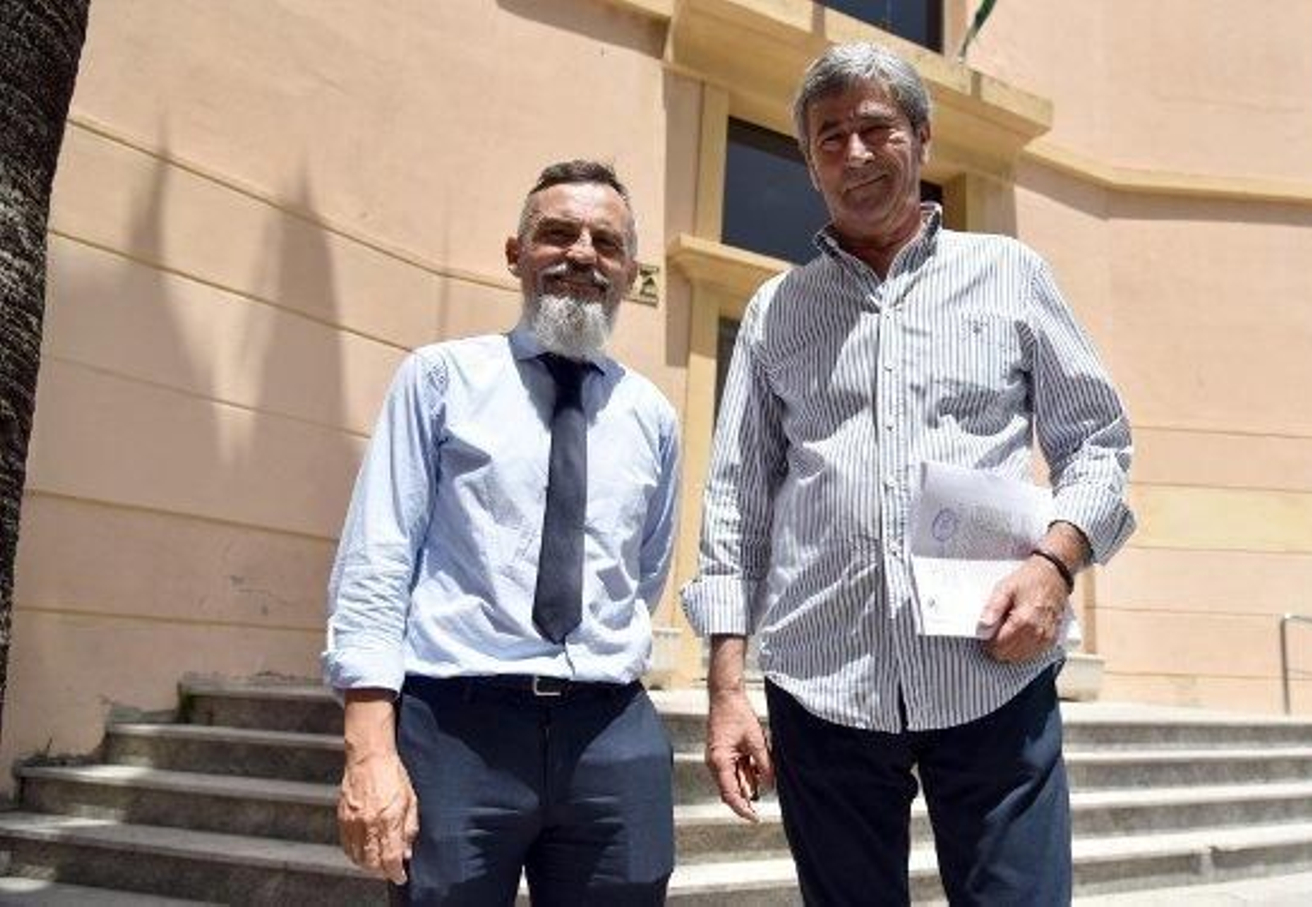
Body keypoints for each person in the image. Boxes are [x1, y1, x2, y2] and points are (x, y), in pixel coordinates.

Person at [680, 43, 1135, 905]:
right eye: (829, 138)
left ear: (921, 139)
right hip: (825, 688)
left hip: (993, 674)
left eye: (876, 129)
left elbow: (1100, 442)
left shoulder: (1010, 274)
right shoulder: (781, 311)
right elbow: (737, 499)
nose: (854, 153)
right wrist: (728, 687)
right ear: (810, 164)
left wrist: (1054, 564)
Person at [323, 160, 680, 905]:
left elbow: (643, 572)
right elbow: (378, 559)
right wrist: (368, 750)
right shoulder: (440, 378)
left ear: (628, 272)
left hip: (610, 731)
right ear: (516, 254)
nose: (582, 254)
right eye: (557, 233)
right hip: (457, 728)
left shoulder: (652, 417)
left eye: (606, 244)